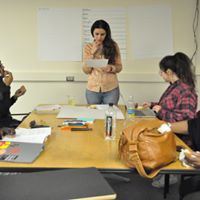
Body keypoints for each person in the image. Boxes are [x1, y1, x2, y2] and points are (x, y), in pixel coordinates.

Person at [143, 52, 198, 122]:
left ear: (168, 72)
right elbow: (168, 105)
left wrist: (160, 111)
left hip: (174, 132)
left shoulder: (186, 91)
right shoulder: (174, 86)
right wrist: (152, 105)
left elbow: (185, 119)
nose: (160, 74)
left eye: (161, 71)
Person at [82, 19, 122, 105]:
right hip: (93, 90)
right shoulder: (88, 47)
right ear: (92, 33)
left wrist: (111, 68)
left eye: (102, 34)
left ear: (107, 34)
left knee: (110, 115)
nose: (99, 37)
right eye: (96, 34)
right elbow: (86, 70)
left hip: (111, 89)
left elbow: (119, 67)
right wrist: (93, 52)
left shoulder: (113, 46)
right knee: (94, 116)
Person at [0, 60, 26, 128]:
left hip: (8, 122)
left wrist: (15, 96)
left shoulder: (1, 82)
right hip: (4, 127)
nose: (3, 67)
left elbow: (4, 105)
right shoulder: (4, 85)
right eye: (1, 65)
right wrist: (7, 87)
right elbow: (2, 110)